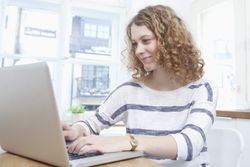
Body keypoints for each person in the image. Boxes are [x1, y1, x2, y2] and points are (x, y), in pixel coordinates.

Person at [62, 4, 218, 167]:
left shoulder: (202, 89)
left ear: (170, 41)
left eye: (146, 41)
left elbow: (190, 143)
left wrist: (127, 142)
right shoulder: (129, 90)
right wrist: (75, 131)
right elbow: (92, 123)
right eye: (135, 43)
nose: (138, 51)